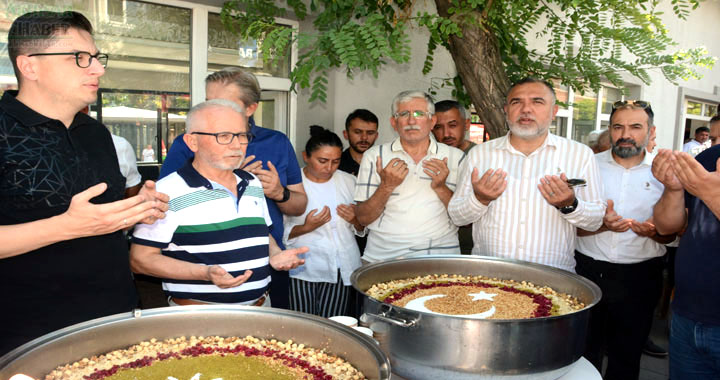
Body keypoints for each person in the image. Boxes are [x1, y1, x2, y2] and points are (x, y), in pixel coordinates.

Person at [0, 11, 168, 356]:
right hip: (28, 333)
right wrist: (65, 226)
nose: (98, 69)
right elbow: (77, 222)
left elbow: (99, 216)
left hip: (113, 318)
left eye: (95, 57)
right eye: (79, 58)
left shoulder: (97, 133)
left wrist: (136, 210)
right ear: (29, 66)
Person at [130, 100, 306, 306]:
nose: (237, 145)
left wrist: (275, 254)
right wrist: (204, 273)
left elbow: (261, 233)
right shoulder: (165, 192)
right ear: (192, 142)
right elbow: (140, 260)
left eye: (242, 135)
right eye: (223, 136)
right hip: (198, 320)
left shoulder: (252, 182)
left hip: (260, 309)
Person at [448, 77, 605, 272]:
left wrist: (569, 205)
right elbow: (457, 217)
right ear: (506, 110)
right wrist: (480, 199)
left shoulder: (580, 155)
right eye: (517, 102)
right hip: (489, 275)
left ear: (554, 112)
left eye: (537, 102)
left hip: (552, 277)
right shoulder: (480, 154)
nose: (526, 109)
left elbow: (595, 221)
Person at [575, 100, 675, 379]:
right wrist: (601, 226)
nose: (625, 134)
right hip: (588, 271)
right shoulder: (588, 166)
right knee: (583, 355)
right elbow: (569, 222)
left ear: (650, 131)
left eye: (635, 127)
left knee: (627, 356)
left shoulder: (664, 173)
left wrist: (655, 232)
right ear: (610, 130)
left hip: (641, 277)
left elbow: (674, 233)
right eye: (618, 127)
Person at [354, 90, 465, 263]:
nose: (411, 121)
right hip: (384, 257)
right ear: (394, 122)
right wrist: (386, 186)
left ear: (432, 121)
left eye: (420, 114)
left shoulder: (456, 157)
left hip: (440, 257)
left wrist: (441, 187)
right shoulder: (375, 156)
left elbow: (464, 218)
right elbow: (362, 218)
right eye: (404, 114)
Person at [652, 145, 720, 380]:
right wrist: (673, 190)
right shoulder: (710, 157)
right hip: (687, 316)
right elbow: (667, 226)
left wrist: (713, 196)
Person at [284, 126, 364, 317]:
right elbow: (277, 231)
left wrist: (355, 220)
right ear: (306, 156)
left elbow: (362, 227)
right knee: (302, 324)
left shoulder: (348, 181)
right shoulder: (291, 184)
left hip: (340, 265)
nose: (329, 168)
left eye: (335, 161)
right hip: (301, 267)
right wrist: (306, 228)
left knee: (334, 323)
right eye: (322, 161)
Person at [338, 109, 379, 176]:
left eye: (370, 133)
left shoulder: (384, 164)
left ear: (376, 136)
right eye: (358, 132)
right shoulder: (335, 164)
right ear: (346, 134)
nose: (364, 137)